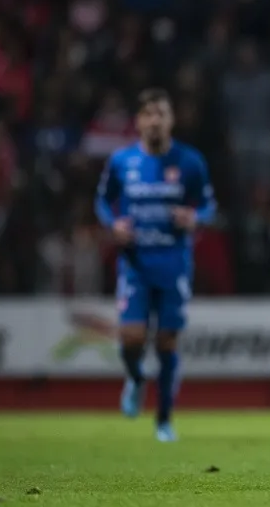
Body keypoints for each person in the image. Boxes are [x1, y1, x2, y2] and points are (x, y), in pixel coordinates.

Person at [95, 88, 216, 442]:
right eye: (148, 114)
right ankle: (134, 377)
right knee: (132, 338)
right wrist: (112, 224)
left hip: (174, 262)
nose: (154, 120)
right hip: (135, 263)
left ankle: (163, 420)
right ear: (138, 121)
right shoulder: (121, 162)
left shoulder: (190, 162)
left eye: (161, 113)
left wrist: (194, 217)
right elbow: (103, 201)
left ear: (171, 120)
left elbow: (209, 206)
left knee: (166, 343)